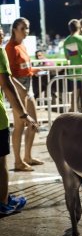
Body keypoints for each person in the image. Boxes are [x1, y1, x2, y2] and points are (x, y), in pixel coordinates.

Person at [0, 26, 38, 214]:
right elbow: (6, 83)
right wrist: (23, 113)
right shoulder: (2, 50)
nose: (1, 32)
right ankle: (4, 203)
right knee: (1, 164)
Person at [5, 17, 43, 172]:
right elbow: (8, 75)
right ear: (14, 29)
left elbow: (24, 68)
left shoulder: (22, 45)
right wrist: (20, 89)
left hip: (28, 88)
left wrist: (34, 70)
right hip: (19, 91)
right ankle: (18, 162)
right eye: (23, 28)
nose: (26, 31)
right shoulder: (10, 48)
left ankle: (27, 157)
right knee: (20, 125)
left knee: (33, 123)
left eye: (27, 28)